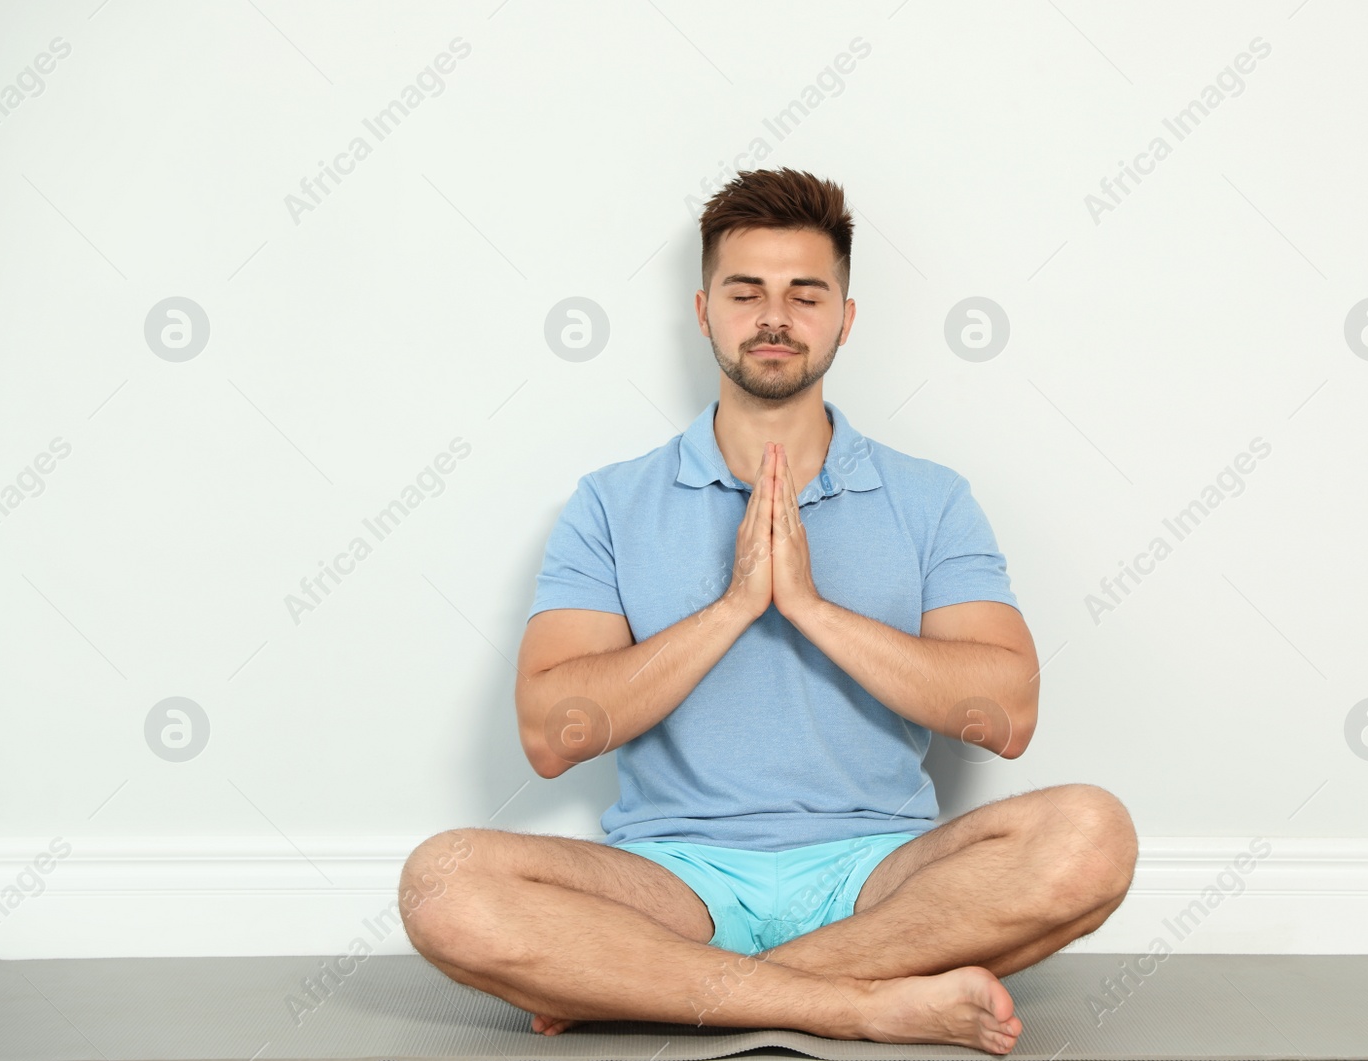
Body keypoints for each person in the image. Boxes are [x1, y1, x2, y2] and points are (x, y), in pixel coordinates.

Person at [399, 167, 1137, 1055]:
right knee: (440, 881)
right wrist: (735, 605)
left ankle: (657, 988)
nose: (774, 317)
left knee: (1093, 834)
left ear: (845, 318)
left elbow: (1008, 715)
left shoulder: (931, 498)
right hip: (672, 878)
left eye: (805, 293)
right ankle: (860, 1002)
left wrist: (812, 608)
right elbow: (555, 737)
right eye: (745, 292)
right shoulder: (611, 501)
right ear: (705, 310)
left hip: (881, 872)